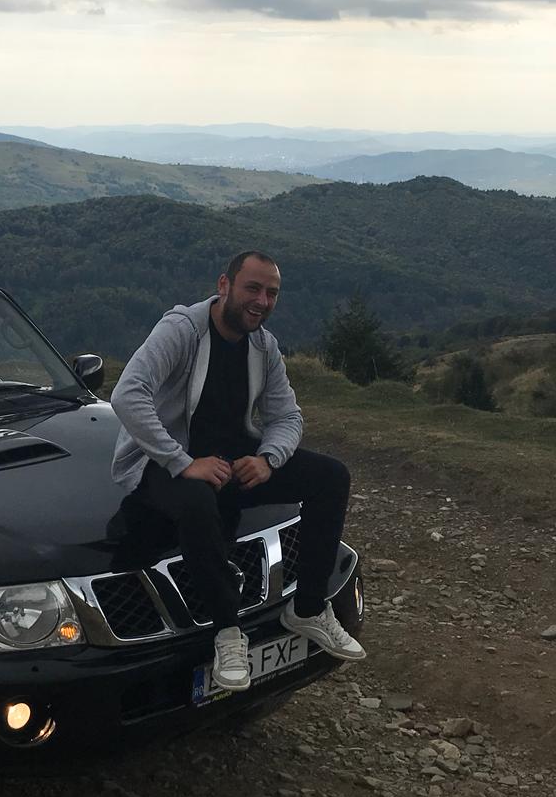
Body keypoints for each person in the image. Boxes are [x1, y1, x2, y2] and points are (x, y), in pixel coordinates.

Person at [110, 250, 365, 693]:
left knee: (331, 477)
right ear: (224, 285)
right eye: (253, 288)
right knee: (196, 500)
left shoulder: (263, 346)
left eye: (272, 293)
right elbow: (127, 394)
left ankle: (308, 608)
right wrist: (182, 462)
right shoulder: (182, 330)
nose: (262, 301)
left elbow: (287, 416)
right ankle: (228, 631)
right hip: (164, 463)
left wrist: (268, 459)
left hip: (232, 464)